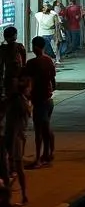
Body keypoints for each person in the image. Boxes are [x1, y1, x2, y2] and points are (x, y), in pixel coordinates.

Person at [24, 36, 56, 167]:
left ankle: (39, 158)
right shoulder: (49, 60)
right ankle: (48, 153)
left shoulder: (32, 63)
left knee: (39, 131)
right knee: (46, 128)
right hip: (48, 99)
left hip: (40, 100)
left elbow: (28, 81)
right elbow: (53, 81)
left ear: (35, 47)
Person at [3, 76, 31, 205]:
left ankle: (13, 195)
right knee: (15, 167)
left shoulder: (16, 102)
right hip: (17, 137)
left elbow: (14, 124)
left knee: (12, 167)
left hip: (14, 137)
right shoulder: (22, 102)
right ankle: (21, 194)